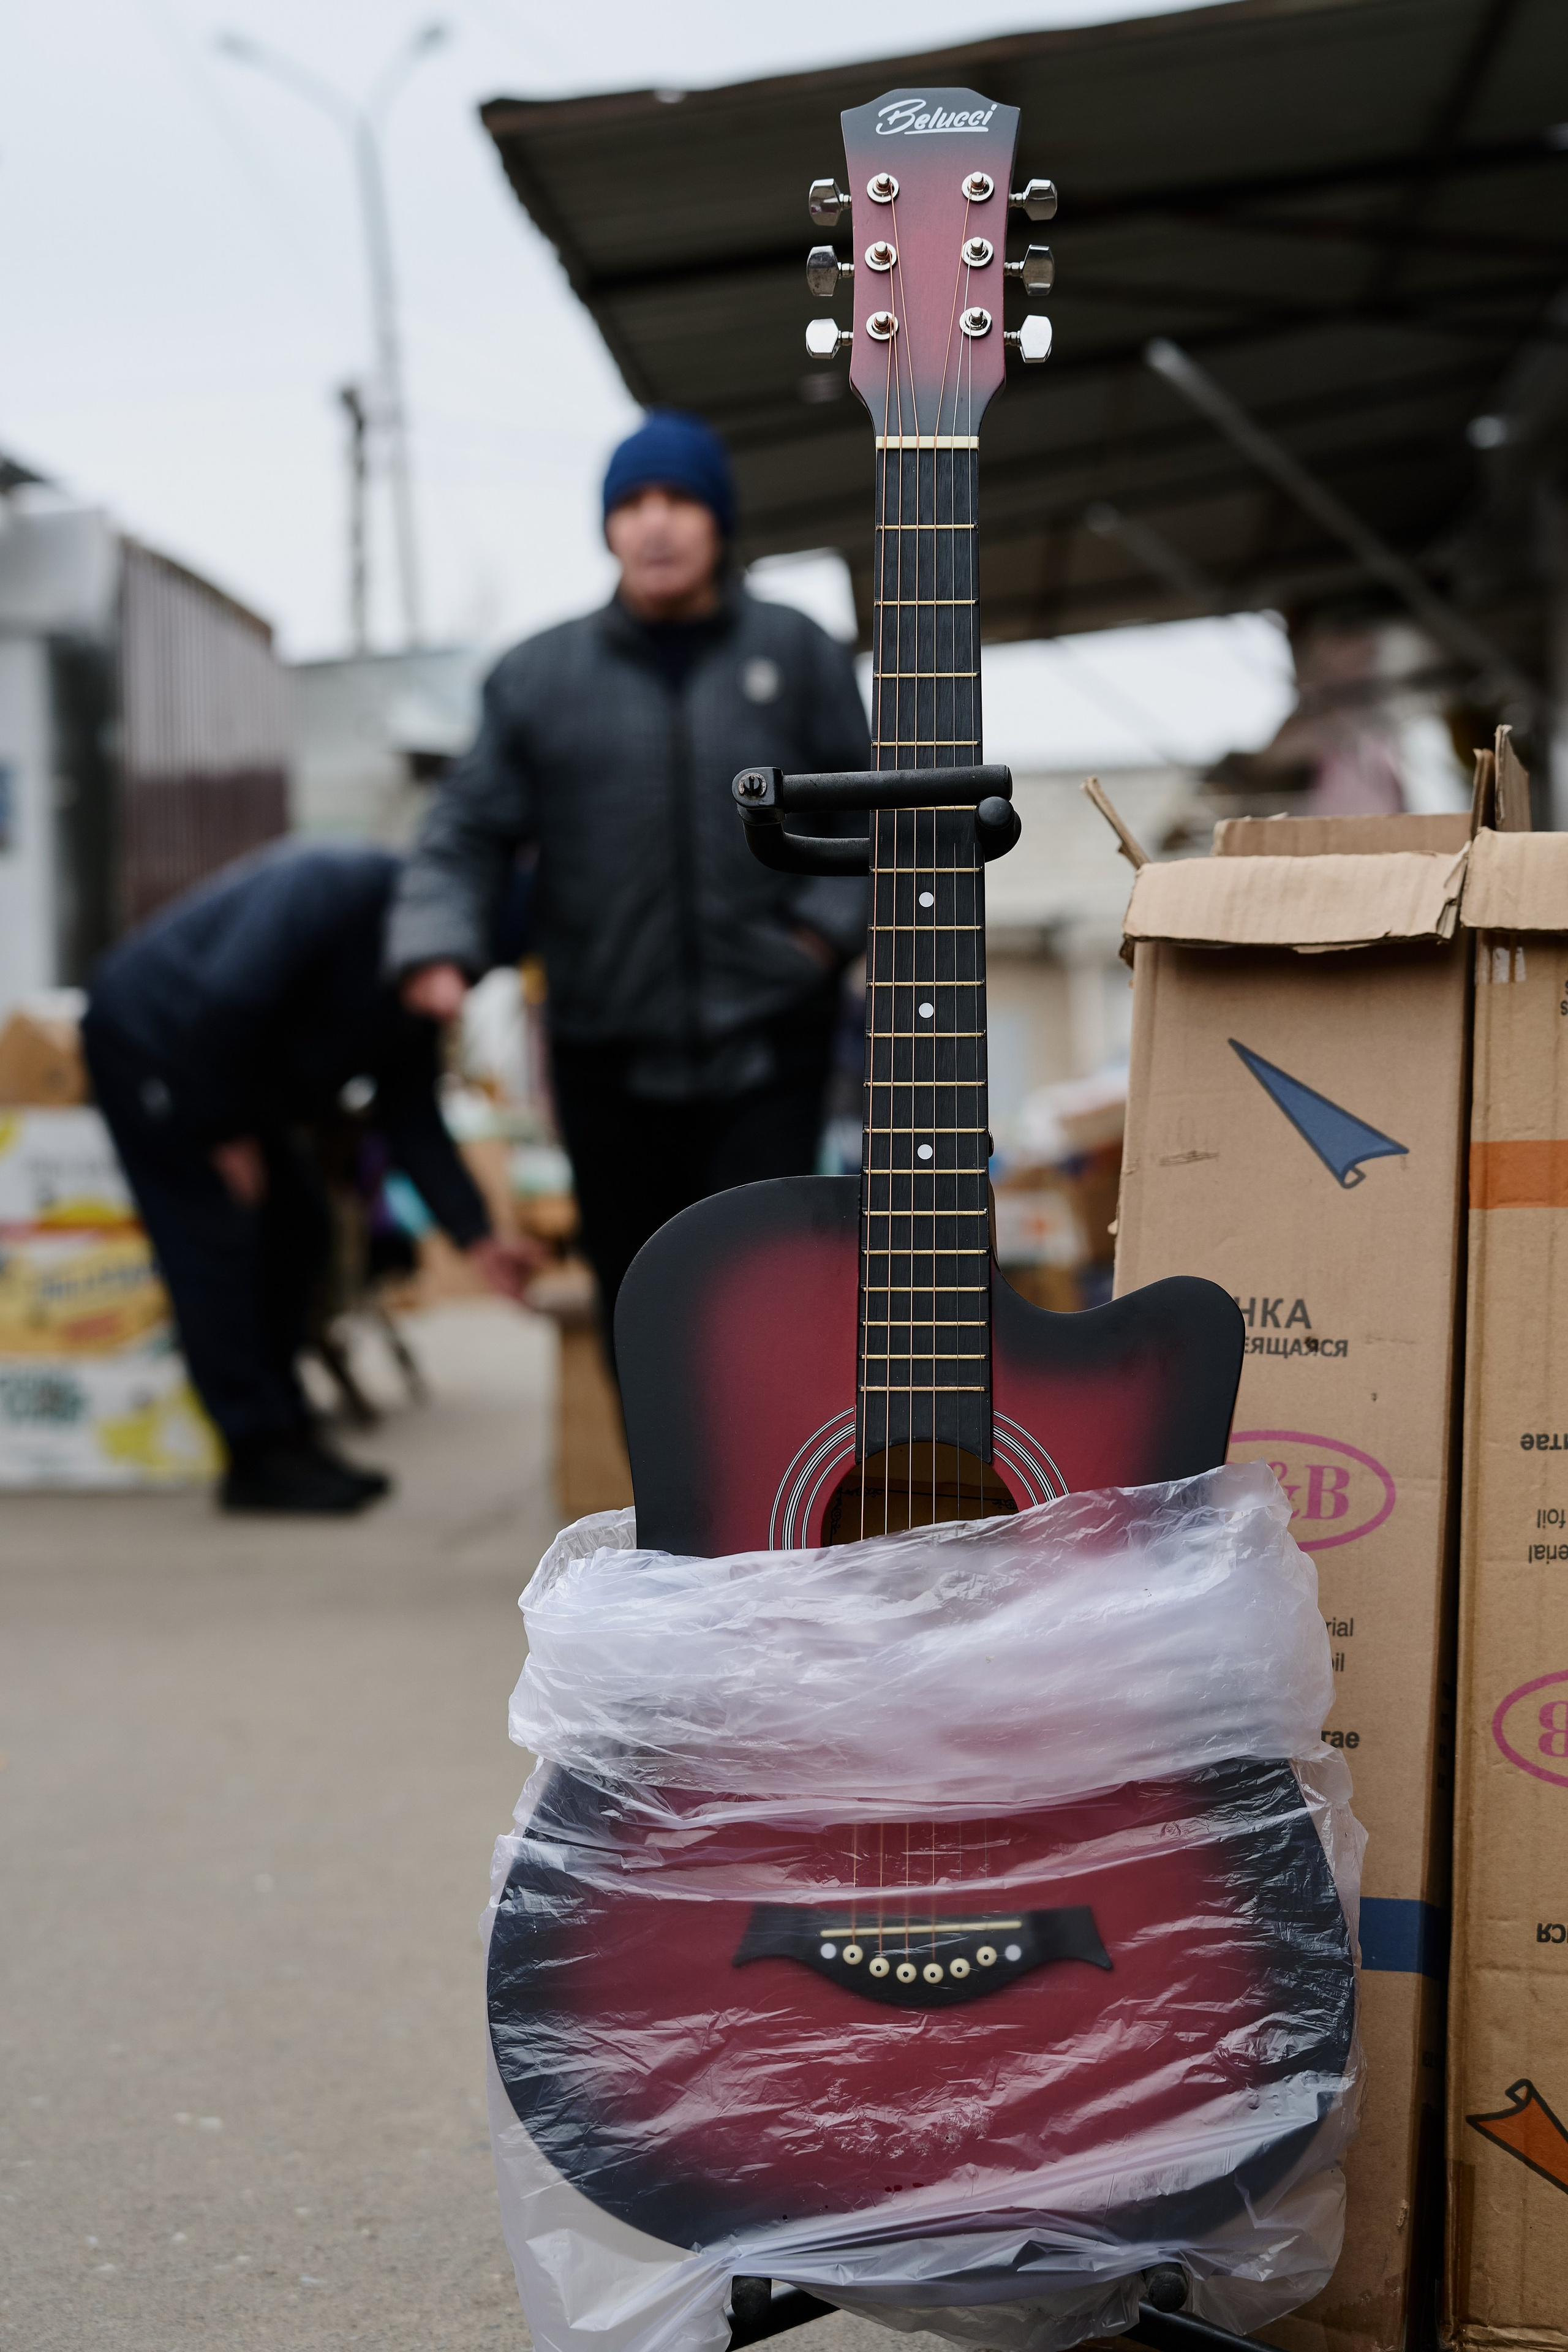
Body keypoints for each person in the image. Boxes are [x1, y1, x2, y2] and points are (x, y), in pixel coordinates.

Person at [386, 410, 869, 1349]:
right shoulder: (536, 677)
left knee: (765, 1307)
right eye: (634, 503)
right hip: (604, 1053)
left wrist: (817, 936)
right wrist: (435, 944)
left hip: (769, 1047)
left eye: (681, 501)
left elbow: (871, 813)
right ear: (607, 526)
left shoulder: (797, 652)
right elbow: (464, 829)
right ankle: (668, 1499)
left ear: (720, 521)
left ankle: (774, 1496)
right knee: (642, 1315)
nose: (657, 524)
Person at [83, 841, 536, 1514]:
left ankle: (288, 1432)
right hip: (156, 1040)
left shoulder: (416, 985)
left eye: (471, 977)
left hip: (237, 1077)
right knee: (217, 1241)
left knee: (301, 1229)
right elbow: (229, 997)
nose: (452, 997)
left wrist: (476, 1234)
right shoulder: (335, 887)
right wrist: (221, 1131)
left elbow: (412, 1117)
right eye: (452, 967)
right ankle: (255, 1452)